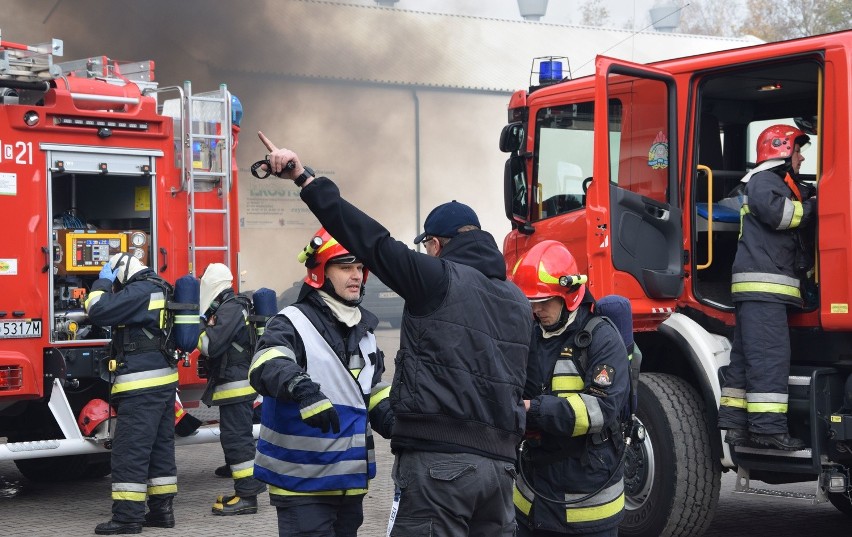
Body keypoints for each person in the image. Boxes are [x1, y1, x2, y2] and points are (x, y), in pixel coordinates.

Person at [257, 132, 534, 537]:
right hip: (500, 473)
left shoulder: (437, 278)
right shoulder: (516, 299)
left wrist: (305, 179)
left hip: (441, 472)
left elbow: (370, 239)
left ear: (436, 245)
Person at [248, 228, 394, 536]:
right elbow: (267, 364)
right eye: (345, 267)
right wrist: (302, 388)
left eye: (359, 268)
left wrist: (399, 422)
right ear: (320, 273)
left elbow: (369, 391)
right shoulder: (291, 322)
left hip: (349, 483)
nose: (356, 275)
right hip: (303, 482)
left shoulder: (364, 330)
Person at [509, 240, 630, 537]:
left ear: (570, 295)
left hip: (586, 509)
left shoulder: (601, 339)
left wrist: (533, 411)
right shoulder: (531, 336)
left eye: (544, 301)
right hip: (532, 503)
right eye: (531, 302)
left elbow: (599, 410)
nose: (536, 310)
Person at [717, 124, 817, 451]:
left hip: (760, 291)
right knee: (768, 358)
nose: (802, 157)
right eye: (798, 150)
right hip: (763, 289)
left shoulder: (770, 182)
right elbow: (781, 215)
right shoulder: (764, 182)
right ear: (781, 151)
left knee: (746, 360)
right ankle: (767, 431)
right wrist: (816, 207)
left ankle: (735, 426)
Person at [85, 253, 179, 535]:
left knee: (130, 452)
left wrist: (102, 281)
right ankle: (162, 512)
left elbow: (98, 310)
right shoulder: (164, 287)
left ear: (121, 273)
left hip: (140, 385)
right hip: (164, 382)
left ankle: (127, 518)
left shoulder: (139, 291)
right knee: (160, 450)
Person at [197, 263, 267, 515]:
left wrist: (194, 326)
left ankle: (248, 496)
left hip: (236, 385)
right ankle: (244, 491)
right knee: (234, 438)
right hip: (231, 384)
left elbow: (211, 346)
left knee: (238, 440)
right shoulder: (230, 307)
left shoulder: (232, 308)